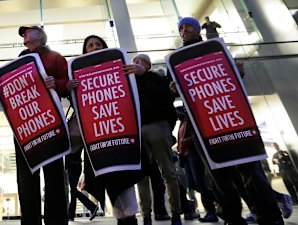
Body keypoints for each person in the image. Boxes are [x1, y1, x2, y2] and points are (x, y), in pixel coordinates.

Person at [173, 17, 284, 225]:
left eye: (188, 25)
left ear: (198, 31)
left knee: (250, 169)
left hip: (231, 117)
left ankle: (269, 216)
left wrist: (237, 73)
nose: (183, 29)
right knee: (218, 174)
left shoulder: (216, 50)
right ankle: (232, 217)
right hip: (203, 123)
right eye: (180, 27)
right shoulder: (176, 60)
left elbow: (227, 80)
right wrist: (174, 87)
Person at [66, 35, 148, 225]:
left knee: (125, 179)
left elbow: (137, 94)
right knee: (110, 183)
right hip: (98, 143)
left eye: (98, 44)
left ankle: (130, 218)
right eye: (90, 45)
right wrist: (70, 88)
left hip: (121, 136)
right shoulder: (80, 74)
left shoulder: (121, 68)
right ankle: (122, 218)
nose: (94, 48)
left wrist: (141, 71)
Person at [15, 25, 69, 225]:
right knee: (26, 176)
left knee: (54, 173)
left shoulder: (54, 57)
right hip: (24, 124)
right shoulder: (18, 60)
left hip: (48, 121)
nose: (25, 34)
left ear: (40, 35)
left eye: (29, 31)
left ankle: (56, 220)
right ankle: (30, 221)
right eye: (24, 33)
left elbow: (68, 82)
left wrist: (57, 84)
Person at [131, 53, 183, 225]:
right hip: (137, 129)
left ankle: (175, 213)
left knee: (167, 171)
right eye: (134, 61)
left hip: (157, 125)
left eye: (140, 61)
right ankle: (146, 215)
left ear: (148, 65)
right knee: (141, 175)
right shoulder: (129, 82)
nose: (136, 63)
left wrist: (144, 76)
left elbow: (166, 97)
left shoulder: (157, 79)